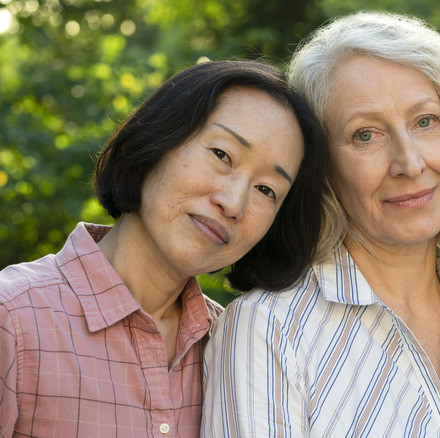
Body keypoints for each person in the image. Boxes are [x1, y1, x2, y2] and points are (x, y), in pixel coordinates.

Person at [202, 11, 440, 437]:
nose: (410, 163)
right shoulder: (268, 330)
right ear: (322, 168)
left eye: (426, 122)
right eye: (366, 135)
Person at [0, 60, 328, 437]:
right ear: (157, 140)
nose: (234, 203)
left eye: (267, 190)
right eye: (222, 155)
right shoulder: (13, 320)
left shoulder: (236, 347)